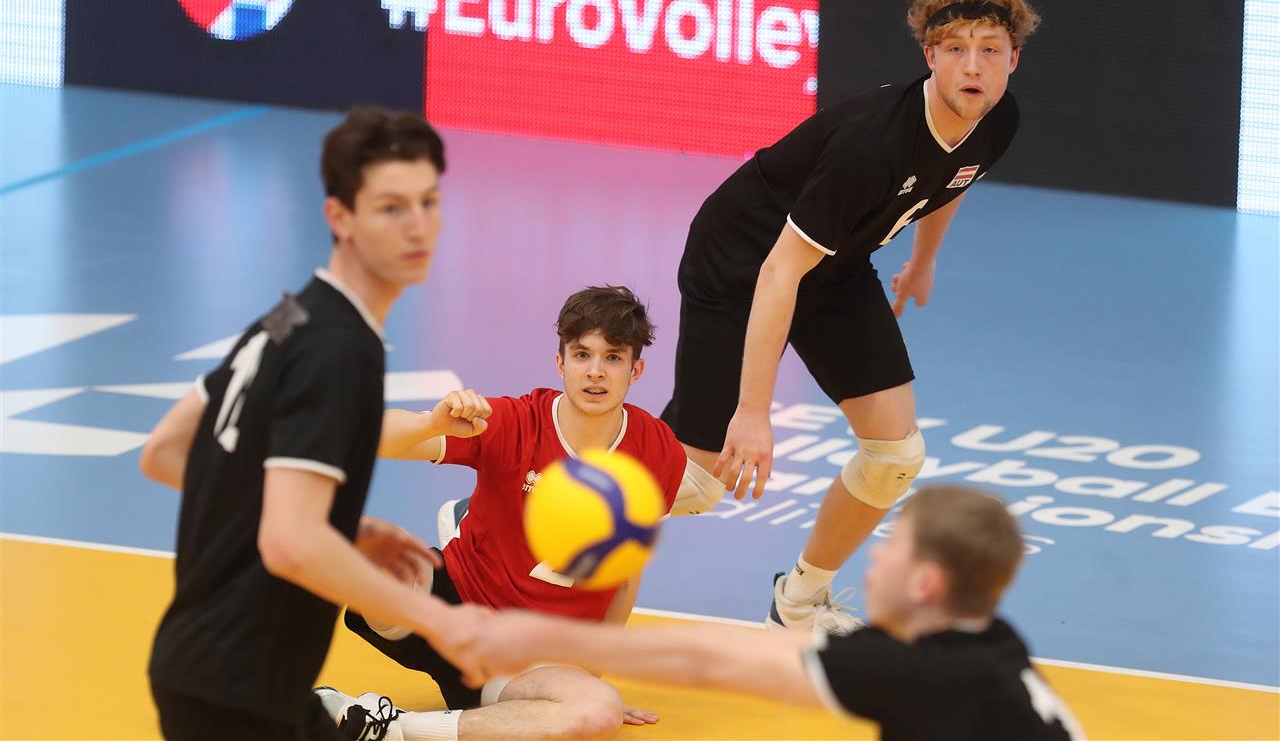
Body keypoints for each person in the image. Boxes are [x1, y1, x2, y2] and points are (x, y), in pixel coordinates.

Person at [657, 0, 1041, 633]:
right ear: (930, 55)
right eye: (956, 48)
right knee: (698, 481)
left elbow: (955, 178)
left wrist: (923, 260)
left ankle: (798, 603)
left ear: (1014, 58)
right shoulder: (873, 143)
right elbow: (779, 271)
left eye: (989, 48)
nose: (972, 66)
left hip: (835, 265)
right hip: (744, 261)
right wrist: (754, 412)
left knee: (895, 458)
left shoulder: (997, 118)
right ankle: (527, 503)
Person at [140, 107, 485, 740]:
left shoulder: (287, 316)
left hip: (218, 675)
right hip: (235, 694)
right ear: (340, 217)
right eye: (390, 208)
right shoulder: (342, 349)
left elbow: (166, 451)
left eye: (428, 202)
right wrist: (438, 620)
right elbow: (290, 544)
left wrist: (333, 526)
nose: (418, 226)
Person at [319, 286, 695, 741]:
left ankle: (390, 728)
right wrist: (430, 424)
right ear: (561, 362)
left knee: (600, 710)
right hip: (447, 609)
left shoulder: (657, 453)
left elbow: (625, 577)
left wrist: (579, 685)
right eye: (582, 354)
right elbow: (366, 438)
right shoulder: (515, 422)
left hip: (526, 662)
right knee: (363, 544)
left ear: (636, 369)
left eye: (613, 357)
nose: (595, 371)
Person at [457, 486, 1086, 741]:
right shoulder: (988, 644)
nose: (874, 557)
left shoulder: (923, 673)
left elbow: (705, 661)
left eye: (892, 544)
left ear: (926, 582)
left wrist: (542, 636)